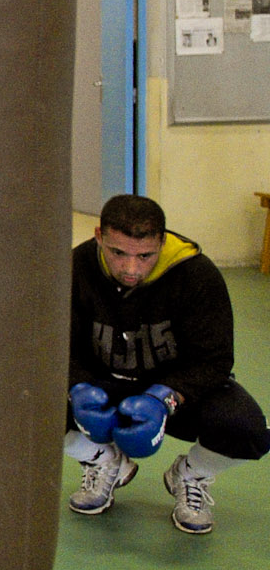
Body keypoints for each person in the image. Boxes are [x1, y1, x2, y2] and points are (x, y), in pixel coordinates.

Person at [66, 194, 267, 533]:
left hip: (171, 389)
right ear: (99, 236)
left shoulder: (196, 275)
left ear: (161, 241)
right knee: (20, 401)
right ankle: (103, 459)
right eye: (118, 253)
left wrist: (165, 397)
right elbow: (51, 345)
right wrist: (78, 387)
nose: (131, 269)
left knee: (246, 429)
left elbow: (215, 359)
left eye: (145, 255)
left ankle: (190, 475)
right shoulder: (76, 267)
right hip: (103, 385)